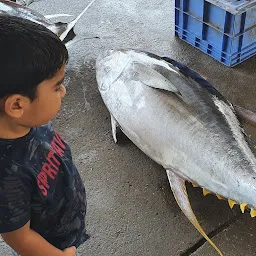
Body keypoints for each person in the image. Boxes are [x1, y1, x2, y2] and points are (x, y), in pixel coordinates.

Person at [0, 16, 88, 256]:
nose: (64, 91)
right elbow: (20, 238)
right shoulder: (7, 176)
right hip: (51, 246)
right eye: (57, 86)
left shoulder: (29, 121)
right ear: (17, 105)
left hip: (63, 222)